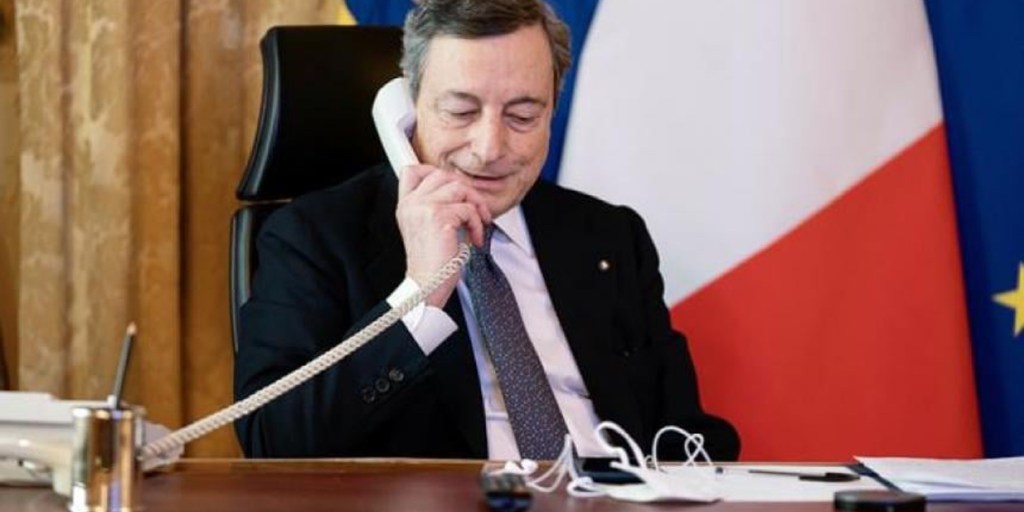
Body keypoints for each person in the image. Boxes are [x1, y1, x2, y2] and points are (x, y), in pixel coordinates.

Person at [234, 0, 739, 461]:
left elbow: (685, 435)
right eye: (461, 111)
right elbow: (273, 440)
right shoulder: (314, 237)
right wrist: (420, 294)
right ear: (408, 104)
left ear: (552, 110)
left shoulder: (609, 237)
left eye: (522, 115)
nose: (490, 148)